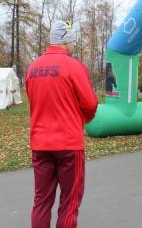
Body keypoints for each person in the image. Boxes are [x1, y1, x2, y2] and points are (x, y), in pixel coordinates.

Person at [25, 21, 98, 228]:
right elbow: (90, 103)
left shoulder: (32, 68)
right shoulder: (74, 67)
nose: (74, 44)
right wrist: (83, 120)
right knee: (69, 200)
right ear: (66, 40)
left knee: (41, 201)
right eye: (73, 40)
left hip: (40, 143)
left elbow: (34, 101)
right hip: (68, 144)